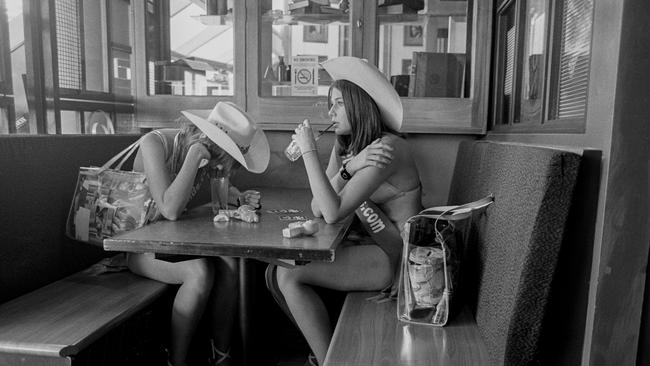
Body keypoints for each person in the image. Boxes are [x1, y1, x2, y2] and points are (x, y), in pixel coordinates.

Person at [269, 56, 422, 366]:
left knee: (287, 277)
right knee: (273, 273)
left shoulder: (385, 149)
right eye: (330, 104)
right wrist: (348, 166)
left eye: (338, 104)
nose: (330, 112)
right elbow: (316, 205)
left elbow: (331, 211)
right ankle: (328, 355)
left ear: (359, 104)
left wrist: (310, 151)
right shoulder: (349, 147)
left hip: (395, 258)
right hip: (370, 247)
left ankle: (328, 360)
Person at [129, 101, 270, 366]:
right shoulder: (154, 143)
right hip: (136, 248)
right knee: (200, 273)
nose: (224, 169)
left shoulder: (206, 158)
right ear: (209, 143)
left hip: (174, 244)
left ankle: (220, 354)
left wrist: (238, 196)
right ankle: (177, 360)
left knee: (230, 262)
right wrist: (194, 157)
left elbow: (214, 190)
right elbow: (169, 208)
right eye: (224, 159)